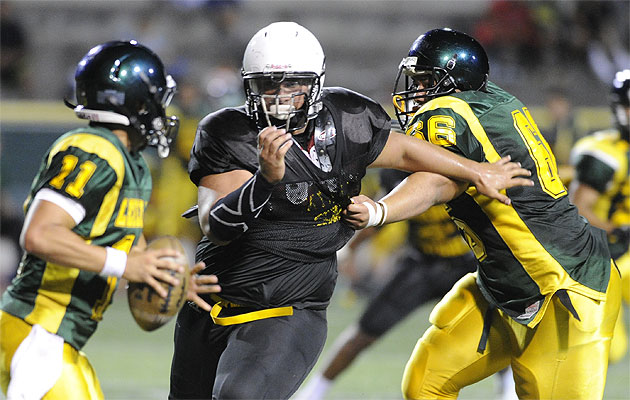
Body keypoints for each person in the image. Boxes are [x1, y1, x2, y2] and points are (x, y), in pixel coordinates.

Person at [168, 22, 532, 400]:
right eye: (267, 85)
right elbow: (217, 226)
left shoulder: (349, 119)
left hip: (289, 305)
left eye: (293, 84)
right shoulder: (228, 131)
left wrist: (475, 170)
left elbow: (407, 151)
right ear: (249, 87)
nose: (279, 96)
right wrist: (265, 180)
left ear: (316, 84)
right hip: (211, 300)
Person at [343, 28, 621, 400]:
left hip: (563, 287)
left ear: (452, 82)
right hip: (503, 286)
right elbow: (454, 178)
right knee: (426, 382)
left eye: (425, 82)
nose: (417, 92)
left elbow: (436, 180)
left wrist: (379, 210)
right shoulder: (495, 101)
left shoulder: (447, 113)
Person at [0, 41, 220, 400]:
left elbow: (134, 251)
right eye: (155, 101)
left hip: (60, 339)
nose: (162, 112)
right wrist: (124, 264)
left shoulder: (132, 163)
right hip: (39, 332)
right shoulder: (93, 150)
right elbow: (39, 234)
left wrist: (171, 281)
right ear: (135, 103)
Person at [295, 167, 478, 400]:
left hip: (467, 264)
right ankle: (313, 393)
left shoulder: (456, 161)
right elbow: (379, 214)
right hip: (421, 263)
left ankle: (508, 390)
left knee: (500, 324)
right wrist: (349, 250)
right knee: (365, 330)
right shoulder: (397, 173)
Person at [569, 69, 630, 364]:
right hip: (602, 256)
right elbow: (578, 208)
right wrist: (617, 227)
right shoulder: (606, 154)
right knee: (610, 349)